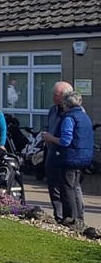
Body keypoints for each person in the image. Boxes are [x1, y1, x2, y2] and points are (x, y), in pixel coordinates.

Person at [42, 90, 93, 231]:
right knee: (75, 188)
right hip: (83, 157)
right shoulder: (85, 116)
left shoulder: (69, 118)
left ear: (66, 104)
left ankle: (70, 218)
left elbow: (65, 140)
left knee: (67, 189)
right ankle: (78, 219)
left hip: (70, 158)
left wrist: (50, 138)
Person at [44, 81, 79, 223]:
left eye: (56, 94)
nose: (53, 97)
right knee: (53, 186)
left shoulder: (75, 112)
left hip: (67, 154)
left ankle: (75, 218)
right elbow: (48, 126)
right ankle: (59, 217)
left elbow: (68, 139)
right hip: (52, 151)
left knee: (70, 188)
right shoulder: (53, 110)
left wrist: (51, 138)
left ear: (65, 96)